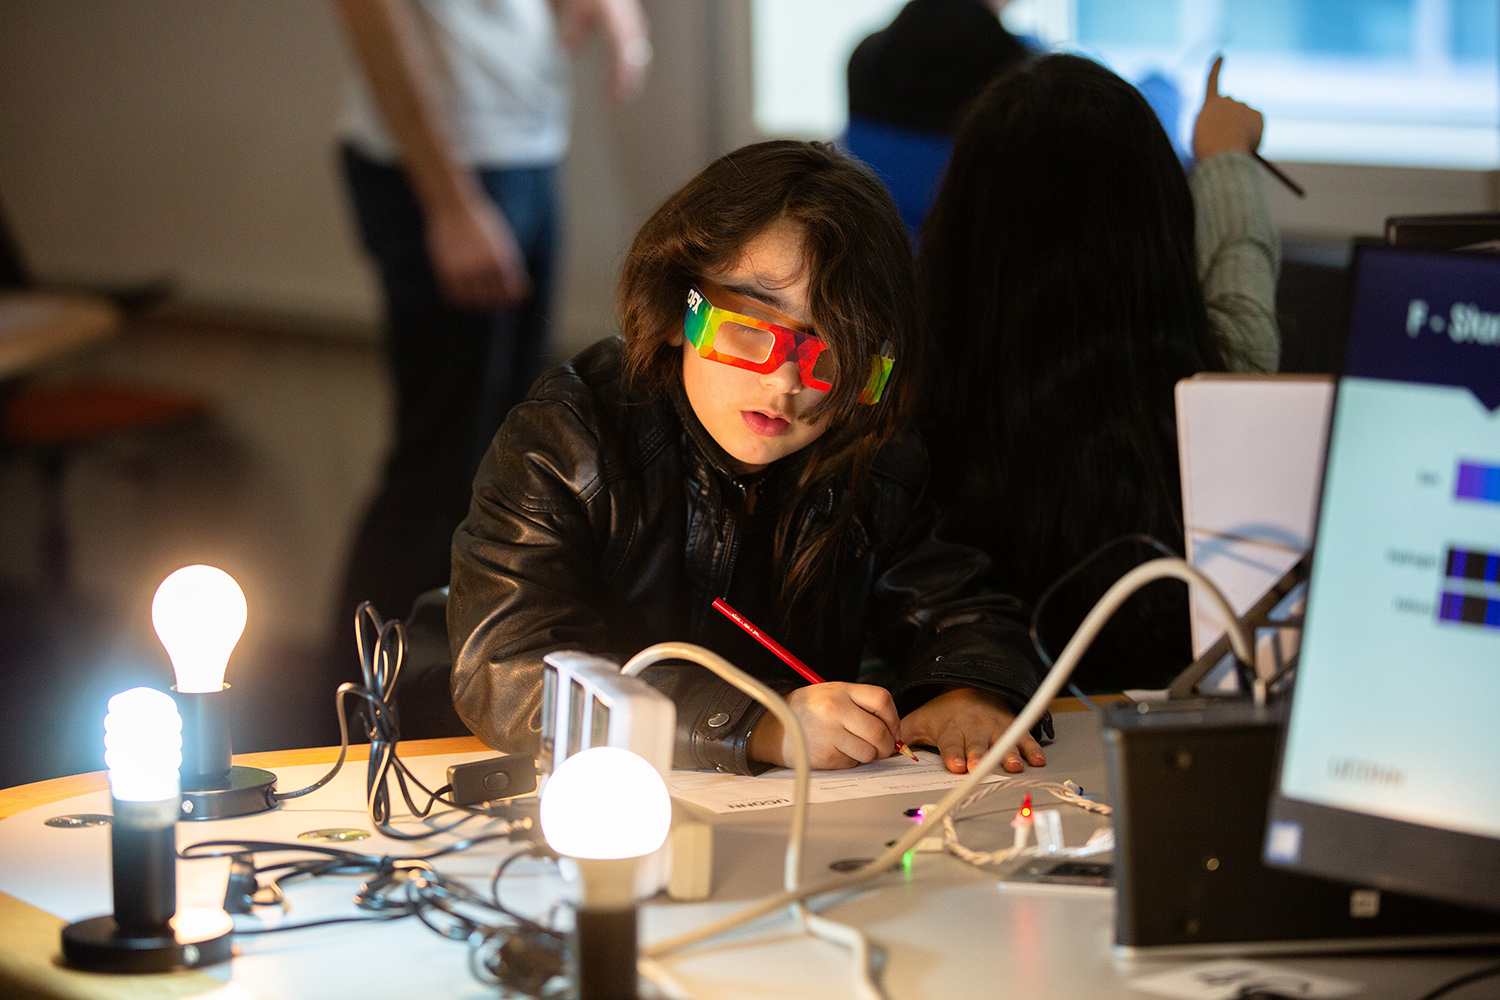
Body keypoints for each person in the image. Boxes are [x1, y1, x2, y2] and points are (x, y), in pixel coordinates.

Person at [448, 140, 1048, 776]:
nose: (785, 382)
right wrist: (756, 725)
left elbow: (963, 609)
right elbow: (507, 670)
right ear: (679, 307)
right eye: (750, 330)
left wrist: (966, 691)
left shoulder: (869, 454)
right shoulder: (569, 439)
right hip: (599, 808)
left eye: (834, 354)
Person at [917, 54, 1279, 691]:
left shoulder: (904, 404)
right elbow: (1240, 273)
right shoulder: (1213, 391)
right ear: (1159, 232)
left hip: (970, 733)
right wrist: (1225, 156)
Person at [328, 0, 650, 688]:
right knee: (440, 467)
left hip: (525, 151)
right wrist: (448, 203)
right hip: (446, 173)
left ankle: (477, 692)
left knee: (512, 454)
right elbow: (374, 20)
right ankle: (357, 705)